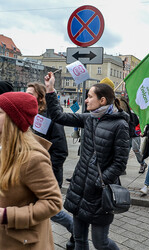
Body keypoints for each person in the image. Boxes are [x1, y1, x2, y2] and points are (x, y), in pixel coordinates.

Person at [44, 72, 130, 249]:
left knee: (101, 242)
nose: (86, 100)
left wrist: (100, 181)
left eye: (90, 97)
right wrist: (50, 89)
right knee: (80, 239)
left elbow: (120, 163)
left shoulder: (120, 124)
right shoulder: (90, 119)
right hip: (80, 189)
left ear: (103, 100)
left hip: (99, 194)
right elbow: (59, 116)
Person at [0, 92, 62, 249]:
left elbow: (53, 202)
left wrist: (7, 215)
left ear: (13, 119)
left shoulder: (32, 159)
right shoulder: (4, 146)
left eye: (0, 112)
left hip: (21, 242)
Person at [26, 82, 74, 250]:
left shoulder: (50, 116)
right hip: (30, 174)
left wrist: (45, 173)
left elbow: (61, 151)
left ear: (40, 97)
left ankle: (76, 229)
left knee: (50, 212)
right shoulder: (28, 115)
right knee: (39, 213)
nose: (26, 96)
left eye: (30, 93)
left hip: (47, 174)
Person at [119, 96, 148, 174]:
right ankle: (123, 168)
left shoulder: (132, 113)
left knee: (136, 150)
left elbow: (138, 123)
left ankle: (142, 164)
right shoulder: (120, 114)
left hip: (134, 135)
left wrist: (137, 131)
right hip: (126, 136)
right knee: (125, 152)